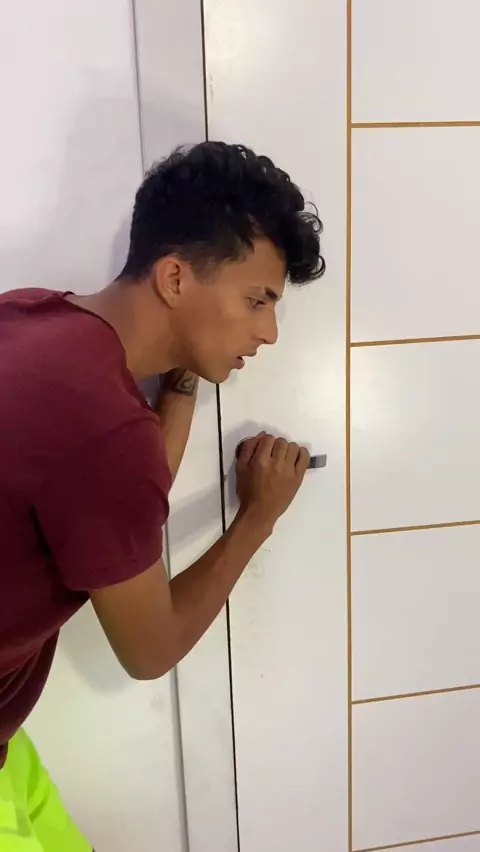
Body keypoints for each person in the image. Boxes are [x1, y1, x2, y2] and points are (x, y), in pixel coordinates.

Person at [0, 141, 325, 850]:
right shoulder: (102, 430)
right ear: (175, 277)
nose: (269, 332)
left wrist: (182, 373)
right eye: (257, 301)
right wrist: (258, 518)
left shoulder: (32, 316)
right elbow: (151, 650)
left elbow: (118, 509)